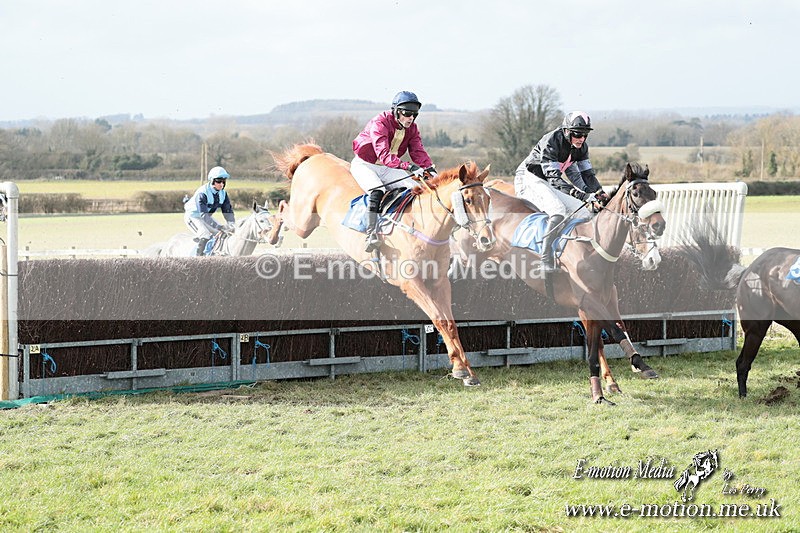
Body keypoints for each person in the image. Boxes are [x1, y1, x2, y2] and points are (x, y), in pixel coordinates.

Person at [514, 110, 610, 274]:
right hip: (530, 179)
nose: (581, 139)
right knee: (558, 211)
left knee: (584, 214)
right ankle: (545, 258)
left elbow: (587, 175)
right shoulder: (552, 141)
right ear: (566, 131)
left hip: (549, 181)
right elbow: (554, 179)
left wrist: (599, 192)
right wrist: (581, 194)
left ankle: (570, 252)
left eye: (585, 135)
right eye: (577, 134)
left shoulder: (580, 147)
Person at [351, 90, 437, 252]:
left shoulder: (412, 128)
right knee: (377, 191)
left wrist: (430, 169)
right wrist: (409, 166)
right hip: (365, 165)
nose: (411, 118)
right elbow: (384, 156)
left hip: (388, 167)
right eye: (407, 114)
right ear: (396, 111)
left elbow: (418, 151)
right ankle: (371, 233)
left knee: (414, 189)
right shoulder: (380, 123)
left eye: (414, 115)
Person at [184, 166, 236, 256]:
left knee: (222, 234)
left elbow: (227, 211)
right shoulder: (202, 193)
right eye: (219, 181)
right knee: (205, 234)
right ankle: (198, 260)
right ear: (212, 181)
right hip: (193, 217)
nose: (222, 184)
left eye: (223, 181)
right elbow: (204, 215)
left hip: (206, 217)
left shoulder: (223, 194)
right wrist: (218, 226)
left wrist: (232, 224)